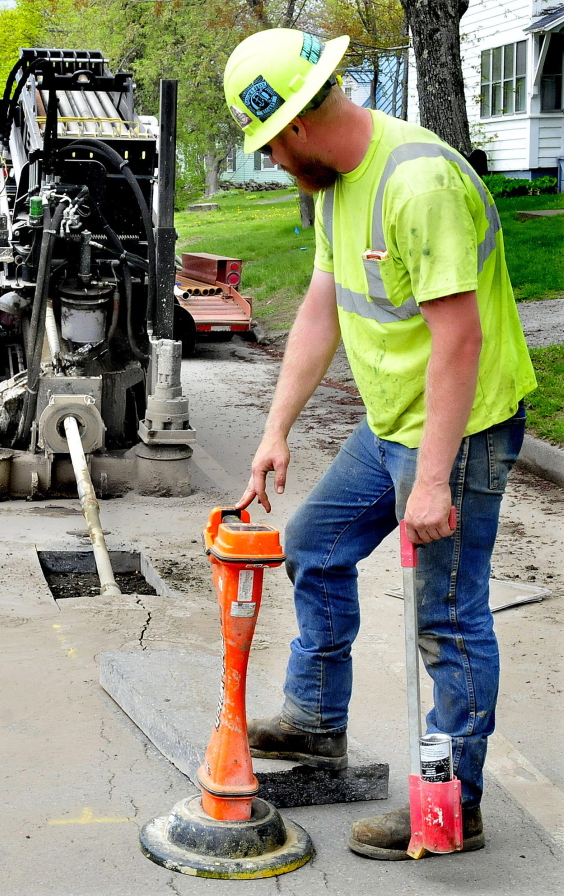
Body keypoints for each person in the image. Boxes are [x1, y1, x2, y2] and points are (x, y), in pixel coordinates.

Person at [223, 28, 536, 859]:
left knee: (447, 620)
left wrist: (430, 482)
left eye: (268, 147)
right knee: (314, 546)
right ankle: (317, 720)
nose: (274, 162)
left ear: (292, 129)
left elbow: (459, 341)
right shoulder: (333, 185)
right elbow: (322, 309)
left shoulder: (416, 181)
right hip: (391, 421)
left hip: (459, 430)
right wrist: (274, 430)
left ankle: (451, 804)